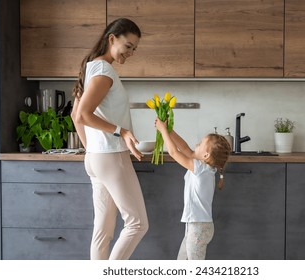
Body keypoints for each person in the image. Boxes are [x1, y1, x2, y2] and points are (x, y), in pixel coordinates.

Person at [71, 18, 148, 260]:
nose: (131, 52)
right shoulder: (104, 71)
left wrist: (92, 149)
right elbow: (83, 115)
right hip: (111, 157)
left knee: (102, 231)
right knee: (137, 224)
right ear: (112, 38)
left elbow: (75, 115)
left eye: (135, 48)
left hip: (96, 158)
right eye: (128, 45)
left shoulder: (91, 67)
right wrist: (121, 132)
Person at [155, 118, 231, 260]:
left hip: (198, 228)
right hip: (198, 226)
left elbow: (174, 152)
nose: (197, 144)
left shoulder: (201, 168)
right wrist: (170, 131)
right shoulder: (204, 167)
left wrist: (163, 131)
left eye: (201, 143)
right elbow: (184, 149)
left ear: (206, 155)